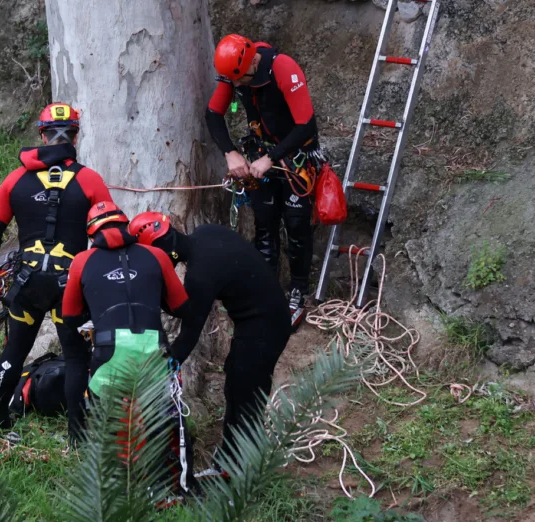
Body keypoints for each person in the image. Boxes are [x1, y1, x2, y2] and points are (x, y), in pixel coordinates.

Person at [0, 103, 113, 432]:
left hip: (26, 284)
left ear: (42, 135)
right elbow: (109, 233)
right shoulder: (90, 180)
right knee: (76, 358)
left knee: (15, 351)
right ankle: (77, 436)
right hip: (69, 287)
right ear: (75, 136)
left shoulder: (15, 180)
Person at [128, 212, 291, 472]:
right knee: (236, 386)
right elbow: (188, 307)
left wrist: (164, 368)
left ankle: (240, 471)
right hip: (269, 316)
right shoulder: (206, 233)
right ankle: (231, 459)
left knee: (244, 396)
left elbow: (188, 333)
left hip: (265, 326)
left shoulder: (200, 276)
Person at [62, 202, 195, 495]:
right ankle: (167, 485)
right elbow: (182, 307)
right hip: (153, 353)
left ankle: (115, 484)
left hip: (109, 355)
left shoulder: (82, 261)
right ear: (126, 226)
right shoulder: (156, 255)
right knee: (161, 420)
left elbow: (69, 317)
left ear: (91, 233)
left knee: (108, 422)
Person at [206, 33, 323, 329]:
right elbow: (214, 114)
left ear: (253, 63)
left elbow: (306, 124)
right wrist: (230, 152)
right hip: (260, 154)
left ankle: (298, 291)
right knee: (264, 223)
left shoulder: (282, 68)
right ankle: (266, 289)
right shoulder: (234, 73)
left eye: (240, 81)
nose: (236, 87)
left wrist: (272, 158)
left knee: (297, 225)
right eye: (232, 81)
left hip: (295, 156)